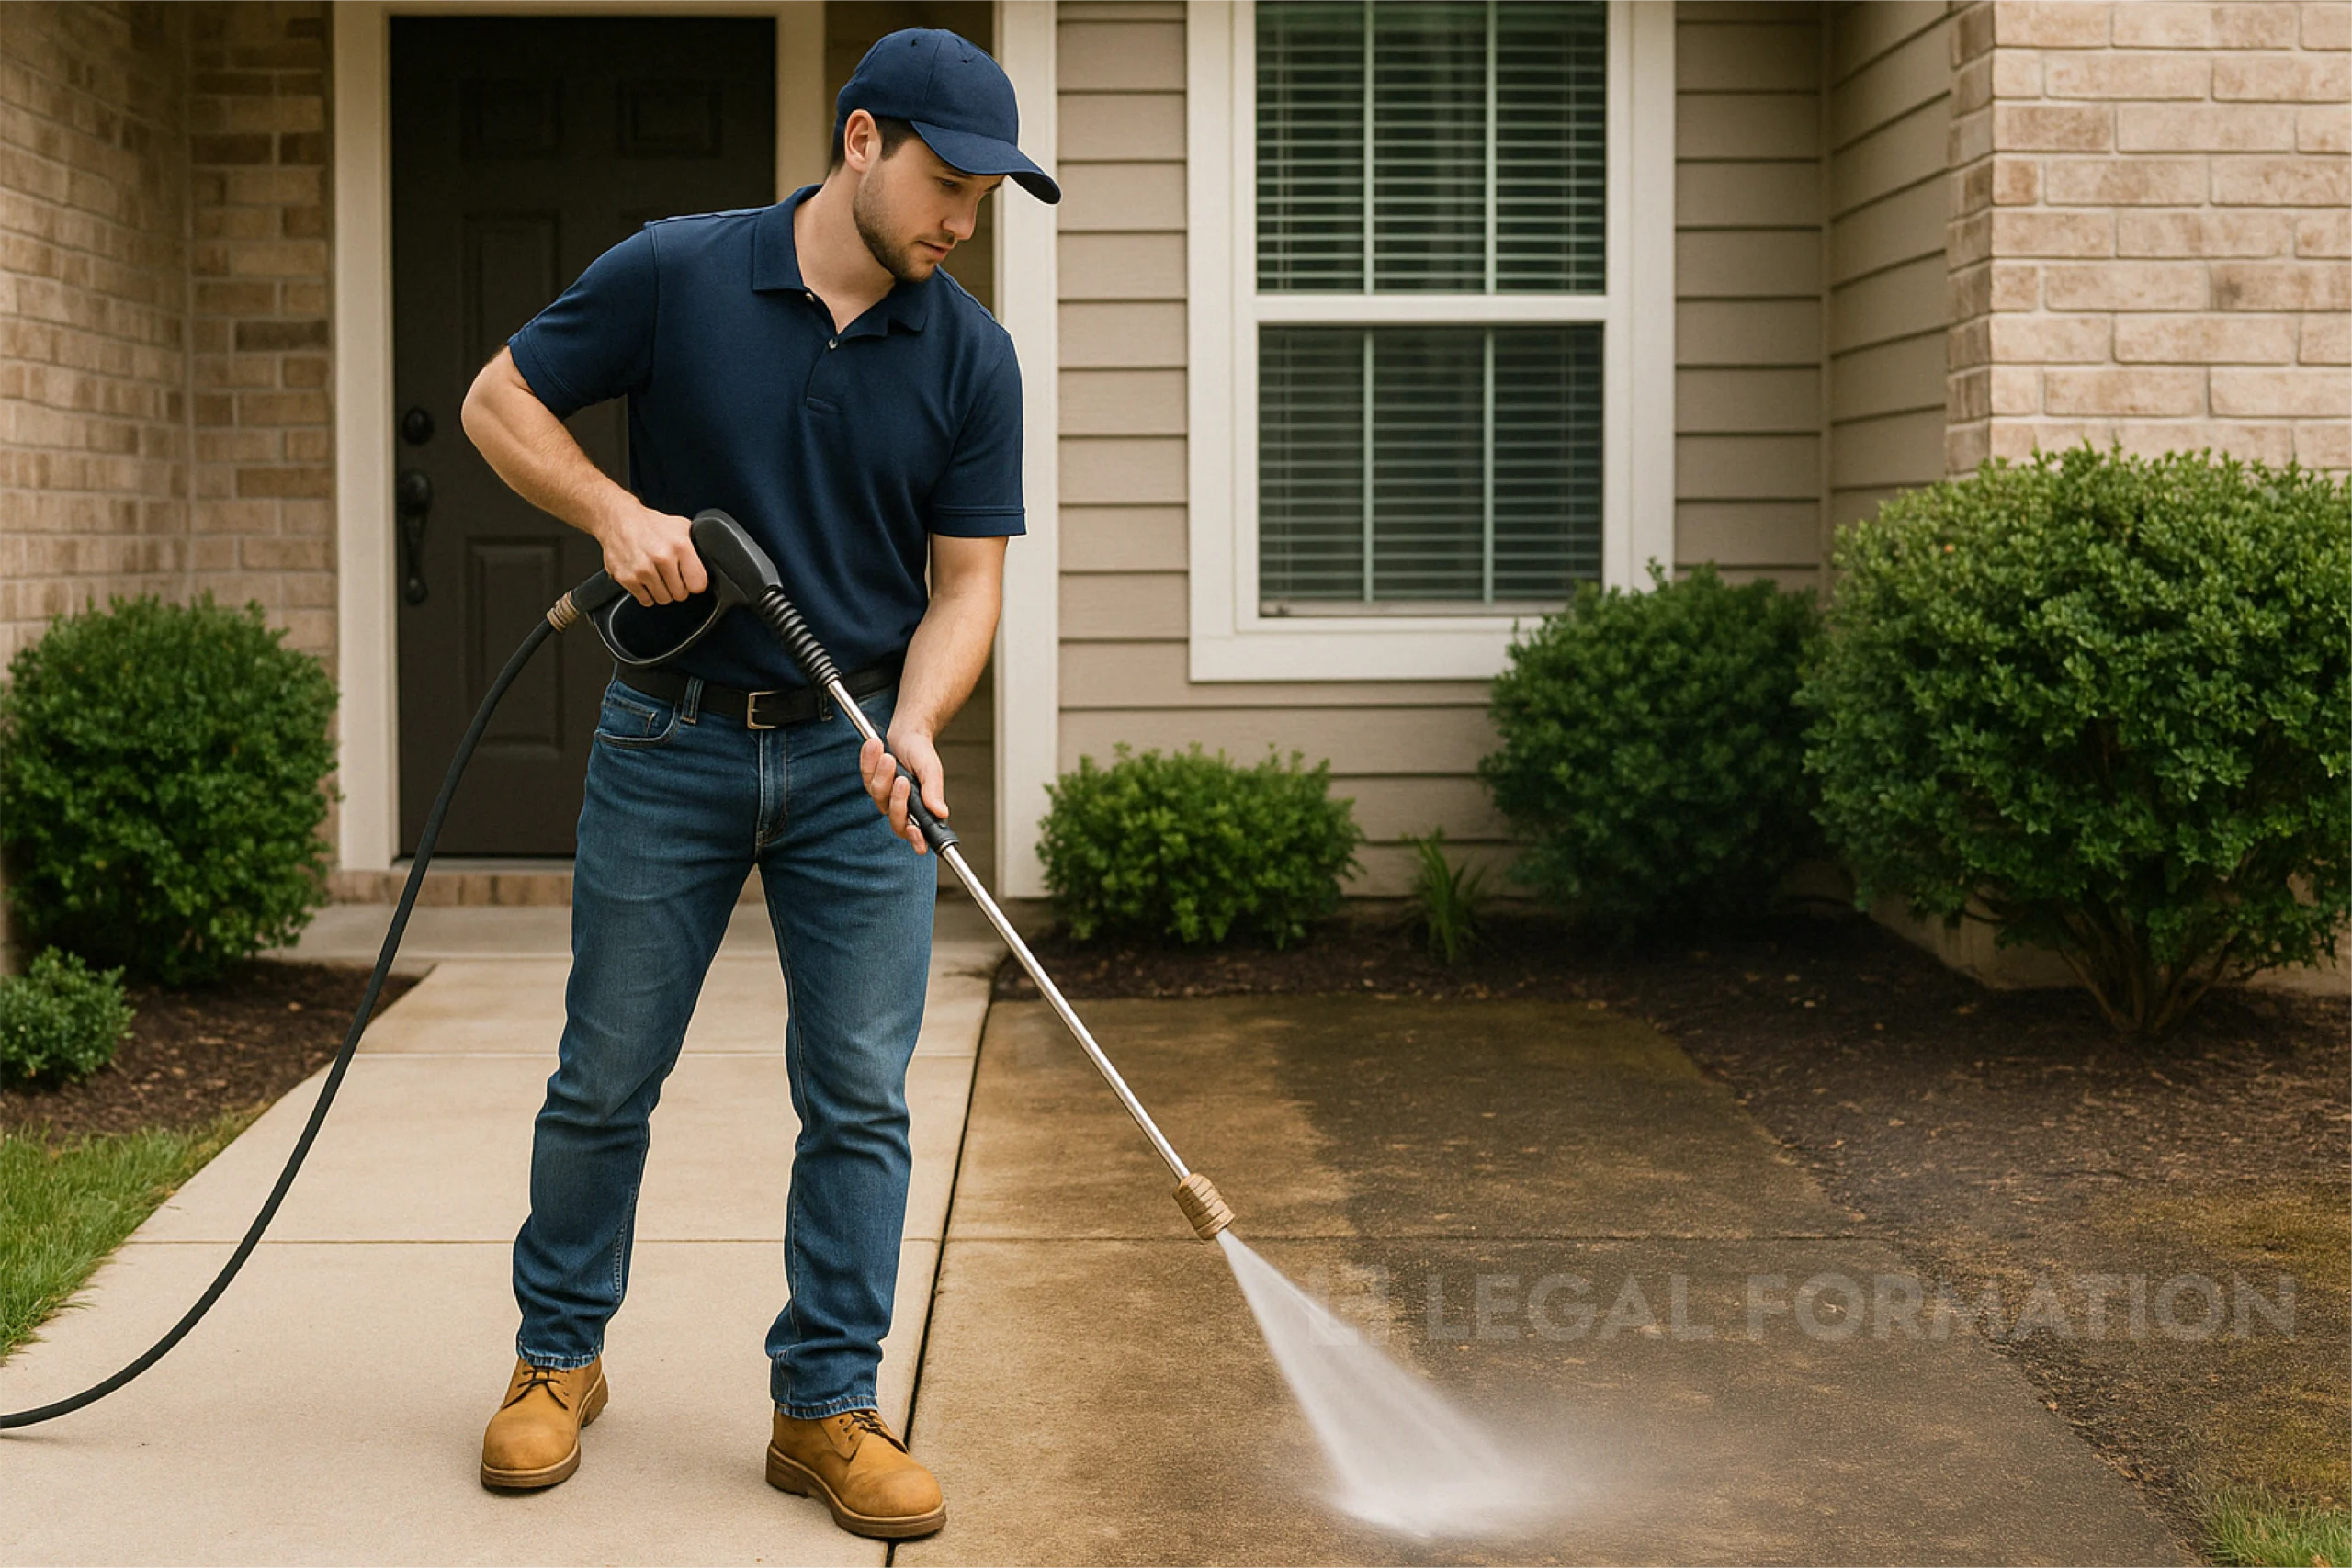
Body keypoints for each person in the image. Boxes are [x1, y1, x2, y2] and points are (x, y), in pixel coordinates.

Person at [456, 28, 1057, 1540]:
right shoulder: (679, 270)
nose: (962, 223)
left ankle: (825, 1404)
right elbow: (495, 403)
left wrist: (919, 719)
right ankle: (556, 1358)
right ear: (862, 141)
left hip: (862, 769)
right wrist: (612, 508)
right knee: (606, 1074)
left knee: (859, 1096)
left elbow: (968, 586)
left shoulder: (972, 355)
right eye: (947, 184)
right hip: (670, 741)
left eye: (986, 199)